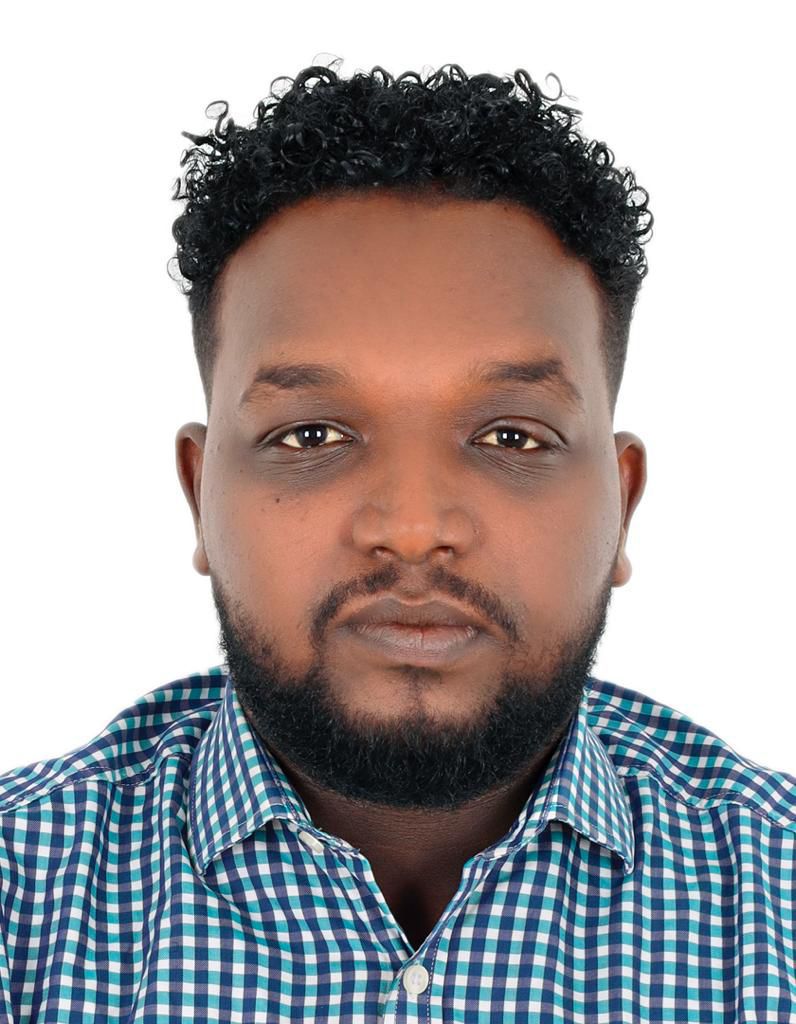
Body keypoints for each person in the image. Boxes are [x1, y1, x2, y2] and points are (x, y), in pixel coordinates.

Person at [0, 62, 793, 1022]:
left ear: (622, 504)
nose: (414, 531)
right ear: (199, 494)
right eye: (310, 436)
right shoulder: (22, 896)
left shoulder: (775, 895)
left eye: (512, 438)